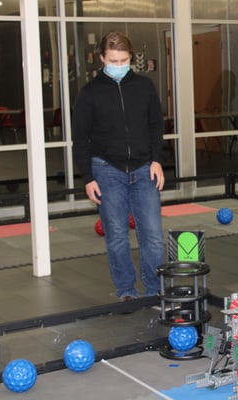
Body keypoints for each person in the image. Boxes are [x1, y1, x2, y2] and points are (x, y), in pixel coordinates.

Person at [72, 32, 166, 301]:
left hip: (144, 169)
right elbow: (80, 139)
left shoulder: (144, 87)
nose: (119, 65)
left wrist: (157, 160)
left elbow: (156, 126)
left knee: (152, 236)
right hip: (106, 170)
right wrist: (88, 177)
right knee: (116, 236)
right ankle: (126, 290)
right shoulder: (89, 94)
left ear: (131, 58)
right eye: (113, 60)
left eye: (124, 60)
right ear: (102, 59)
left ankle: (153, 291)